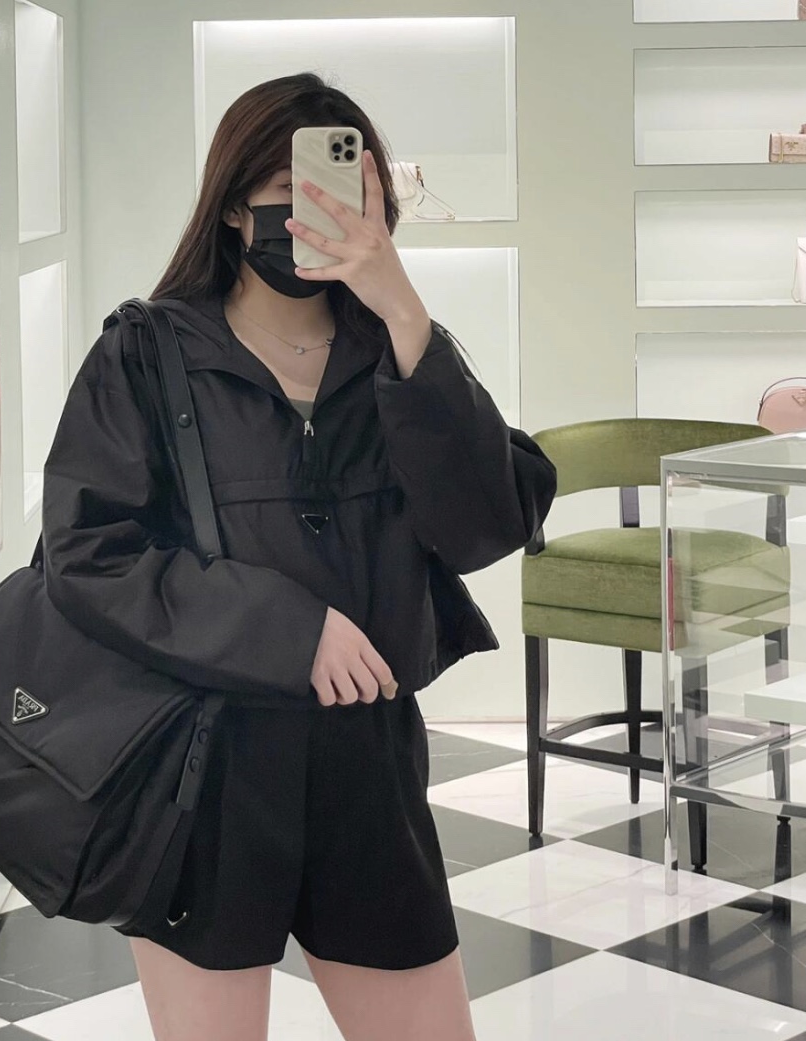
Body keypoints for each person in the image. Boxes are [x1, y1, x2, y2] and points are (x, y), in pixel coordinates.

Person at [41, 73, 556, 1041]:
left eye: (349, 188)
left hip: (368, 766)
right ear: (235, 207)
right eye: (290, 189)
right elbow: (89, 555)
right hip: (202, 768)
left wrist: (406, 316)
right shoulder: (147, 353)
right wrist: (289, 630)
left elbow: (486, 527)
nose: (321, 210)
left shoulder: (400, 355)